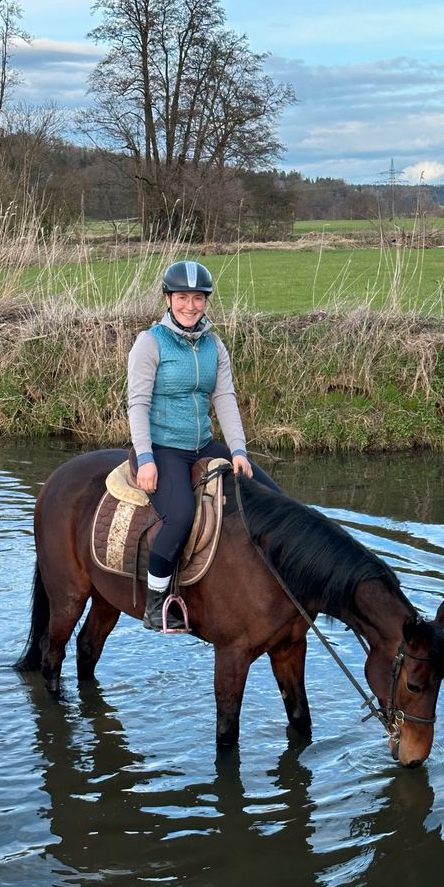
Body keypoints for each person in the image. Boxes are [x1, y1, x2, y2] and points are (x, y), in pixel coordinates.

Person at [127, 260, 278, 632]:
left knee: (273, 497)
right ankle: (155, 600)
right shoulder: (150, 343)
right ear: (167, 298)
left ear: (206, 302)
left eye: (198, 298)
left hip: (205, 445)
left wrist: (239, 450)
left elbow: (224, 396)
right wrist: (146, 458)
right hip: (164, 449)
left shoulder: (214, 345)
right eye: (182, 297)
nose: (190, 306)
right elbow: (138, 403)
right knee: (179, 515)